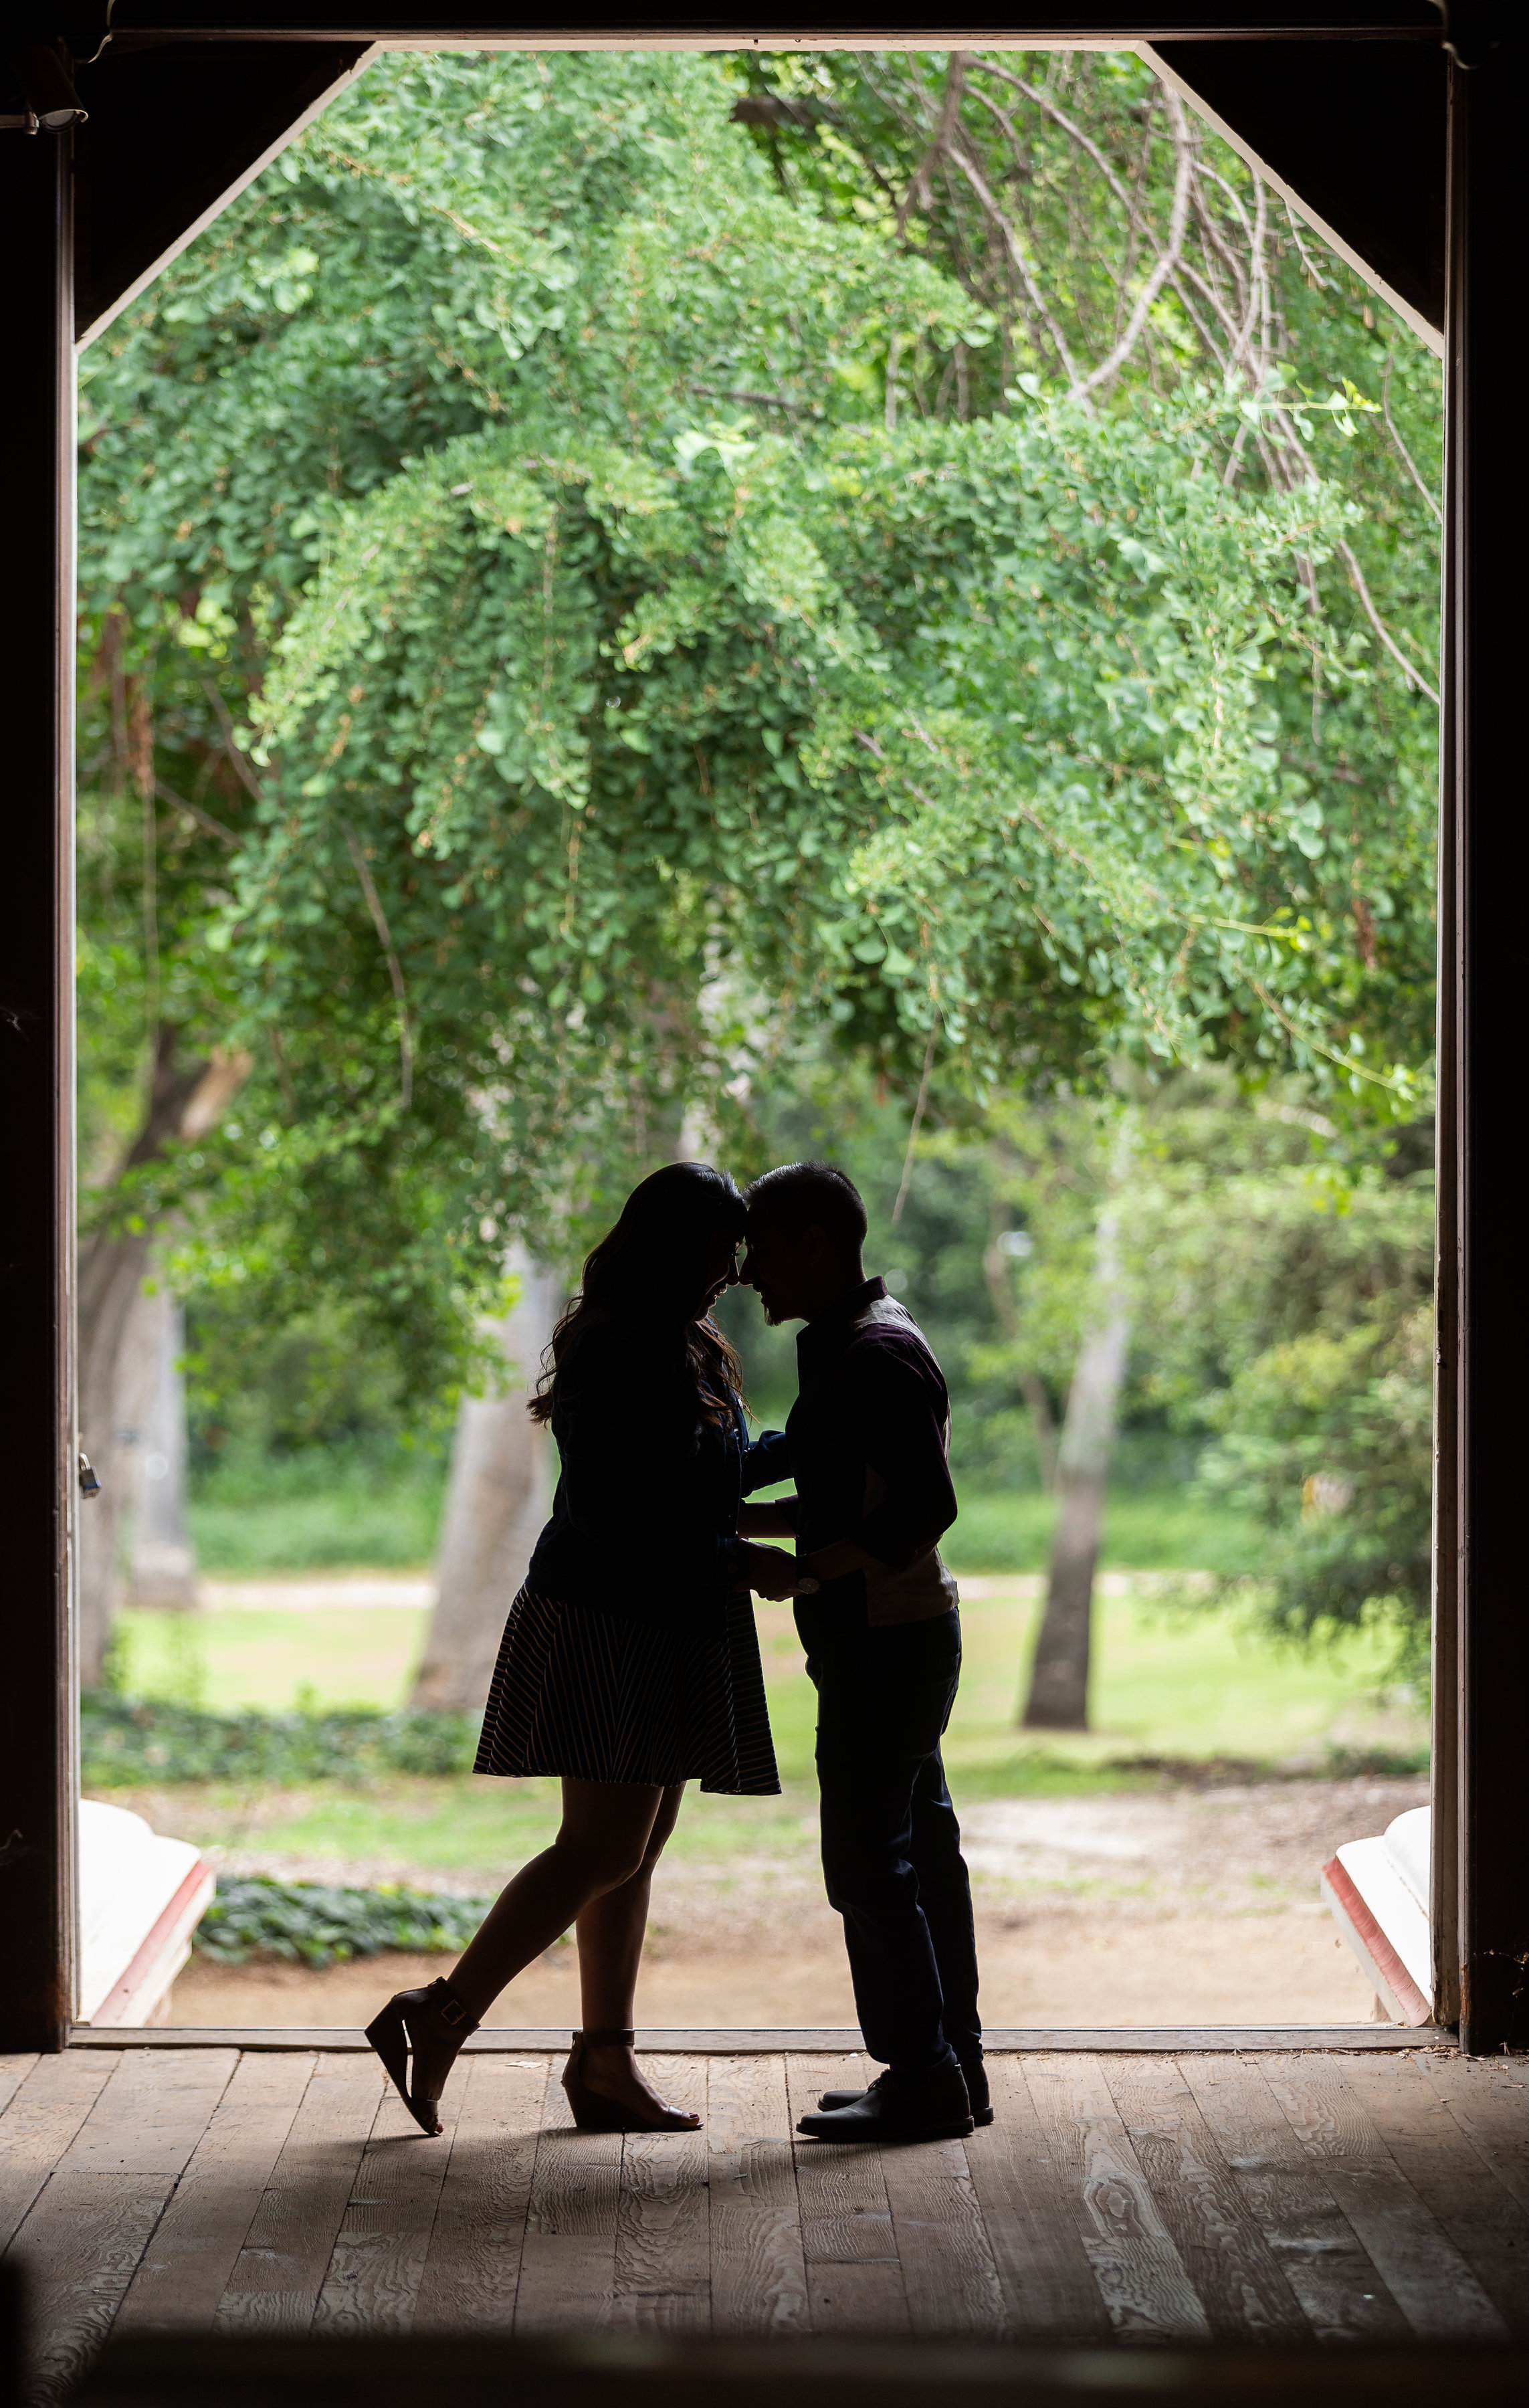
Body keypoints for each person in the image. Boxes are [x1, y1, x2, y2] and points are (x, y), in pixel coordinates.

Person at [365, 1163, 803, 2138]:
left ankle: (603, 2063)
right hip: (612, 1615)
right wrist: (743, 1559)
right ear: (667, 1243)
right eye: (714, 1250)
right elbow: (616, 1516)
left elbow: (698, 1476)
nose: (729, 1273)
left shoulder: (681, 1341)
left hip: (668, 1612)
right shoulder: (616, 1346)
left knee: (633, 1852)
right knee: (600, 1847)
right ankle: (438, 2016)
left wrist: (803, 1448)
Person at [738, 1160, 985, 2143]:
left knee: (868, 1867)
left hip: (888, 1640)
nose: (748, 1271)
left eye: (759, 1247)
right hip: (892, 1637)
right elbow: (855, 1494)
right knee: (919, 1858)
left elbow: (926, 1509)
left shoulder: (871, 1354)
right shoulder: (850, 1340)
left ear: (812, 1244)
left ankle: (922, 2076)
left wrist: (801, 1574)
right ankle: (949, 2071)